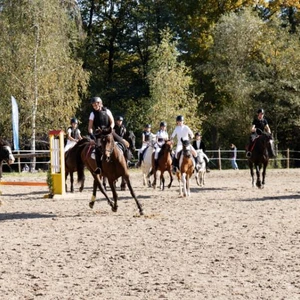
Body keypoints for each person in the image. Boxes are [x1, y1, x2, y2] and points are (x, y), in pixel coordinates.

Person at [88, 96, 115, 174]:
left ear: (100, 104)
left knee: (122, 143)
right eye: (93, 105)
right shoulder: (92, 114)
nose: (94, 107)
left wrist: (110, 128)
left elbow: (112, 122)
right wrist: (91, 135)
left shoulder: (107, 111)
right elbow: (90, 127)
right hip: (99, 134)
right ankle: (99, 168)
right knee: (97, 148)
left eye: (95, 105)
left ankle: (126, 161)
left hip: (108, 131)